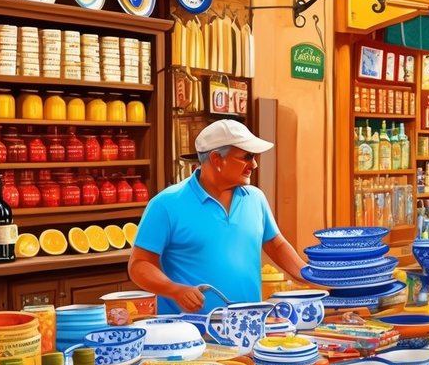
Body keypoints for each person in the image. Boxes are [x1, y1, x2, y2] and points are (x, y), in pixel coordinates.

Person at [129, 119, 306, 315]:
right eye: (247, 157)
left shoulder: (256, 198)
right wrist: (175, 290)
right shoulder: (166, 205)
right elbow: (139, 265)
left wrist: (311, 274)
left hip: (249, 326)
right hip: (190, 334)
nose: (254, 165)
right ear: (216, 159)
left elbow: (277, 245)